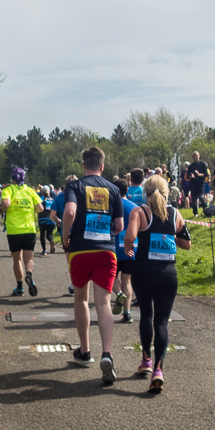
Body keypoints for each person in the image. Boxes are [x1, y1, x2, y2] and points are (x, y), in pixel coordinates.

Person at [123, 175, 191, 393]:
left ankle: (146, 359)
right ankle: (159, 370)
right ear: (167, 192)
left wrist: (129, 251)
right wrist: (168, 236)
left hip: (143, 271)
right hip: (167, 274)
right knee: (162, 321)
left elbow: (130, 236)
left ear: (145, 192)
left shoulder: (139, 212)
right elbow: (186, 244)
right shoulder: (176, 214)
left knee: (146, 314)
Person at [63, 147, 125, 384]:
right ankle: (107, 353)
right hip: (106, 251)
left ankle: (85, 350)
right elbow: (119, 225)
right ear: (102, 166)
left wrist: (65, 237)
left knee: (80, 299)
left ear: (83, 166)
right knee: (103, 302)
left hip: (80, 249)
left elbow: (69, 211)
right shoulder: (113, 189)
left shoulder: (75, 186)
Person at [0, 167, 43, 296]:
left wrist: (2, 208)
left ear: (12, 178)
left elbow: (6, 204)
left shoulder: (8, 190)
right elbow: (40, 208)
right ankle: (29, 274)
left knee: (17, 259)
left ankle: (20, 287)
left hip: (14, 230)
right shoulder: (30, 191)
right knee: (29, 258)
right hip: (29, 229)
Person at [111, 178, 138, 324]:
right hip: (132, 247)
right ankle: (127, 313)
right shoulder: (135, 207)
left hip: (114, 247)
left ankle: (119, 293)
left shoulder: (112, 206)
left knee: (112, 277)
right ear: (127, 190)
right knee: (127, 280)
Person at [186, 151, 209, 216]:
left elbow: (206, 174)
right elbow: (188, 176)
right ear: (192, 157)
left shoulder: (202, 164)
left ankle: (205, 209)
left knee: (201, 196)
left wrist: (199, 175)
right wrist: (191, 176)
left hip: (201, 183)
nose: (195, 157)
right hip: (193, 183)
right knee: (193, 198)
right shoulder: (190, 166)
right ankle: (195, 212)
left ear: (199, 156)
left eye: (196, 155)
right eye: (194, 156)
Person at [38, 185, 57, 256]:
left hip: (42, 219)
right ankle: (51, 241)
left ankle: (44, 251)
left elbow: (38, 208)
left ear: (42, 192)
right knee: (49, 234)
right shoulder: (52, 200)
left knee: (42, 235)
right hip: (51, 220)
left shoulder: (40, 199)